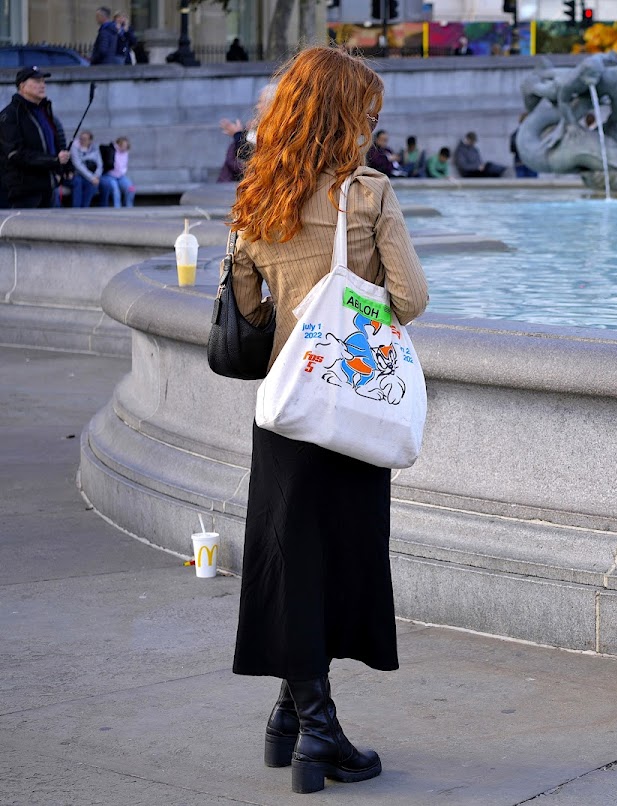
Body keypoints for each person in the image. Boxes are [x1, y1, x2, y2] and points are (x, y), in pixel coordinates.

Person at [226, 46, 428, 795]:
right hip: (350, 409)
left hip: (283, 411)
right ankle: (318, 731)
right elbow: (409, 300)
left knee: (290, 565)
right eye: (368, 113)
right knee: (339, 568)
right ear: (345, 116)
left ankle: (289, 720)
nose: (374, 128)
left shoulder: (256, 195)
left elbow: (248, 311)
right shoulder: (368, 193)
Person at [0, 67, 70, 209]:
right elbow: (16, 154)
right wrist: (54, 160)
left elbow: (54, 144)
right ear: (22, 86)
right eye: (37, 81)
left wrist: (63, 167)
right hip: (24, 193)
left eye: (43, 81)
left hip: (48, 189)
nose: (42, 85)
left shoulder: (43, 112)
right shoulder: (10, 115)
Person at [218, 83, 276, 182]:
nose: (257, 107)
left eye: (260, 102)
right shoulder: (262, 124)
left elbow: (246, 154)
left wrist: (238, 134)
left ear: (271, 104)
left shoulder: (273, 127)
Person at [69, 130, 102, 207]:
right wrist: (91, 177)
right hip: (78, 173)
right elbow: (78, 165)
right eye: (81, 138)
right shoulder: (74, 147)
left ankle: (85, 208)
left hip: (91, 174)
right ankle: (76, 208)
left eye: (85, 139)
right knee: (78, 182)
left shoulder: (94, 148)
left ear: (90, 140)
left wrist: (96, 176)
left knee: (93, 184)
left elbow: (100, 164)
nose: (82, 141)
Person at [98, 136, 134, 206]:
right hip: (109, 175)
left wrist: (123, 172)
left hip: (121, 176)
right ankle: (117, 208)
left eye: (126, 146)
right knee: (115, 190)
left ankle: (129, 205)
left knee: (131, 188)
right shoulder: (112, 150)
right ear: (119, 144)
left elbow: (124, 165)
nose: (124, 148)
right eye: (123, 145)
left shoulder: (126, 153)